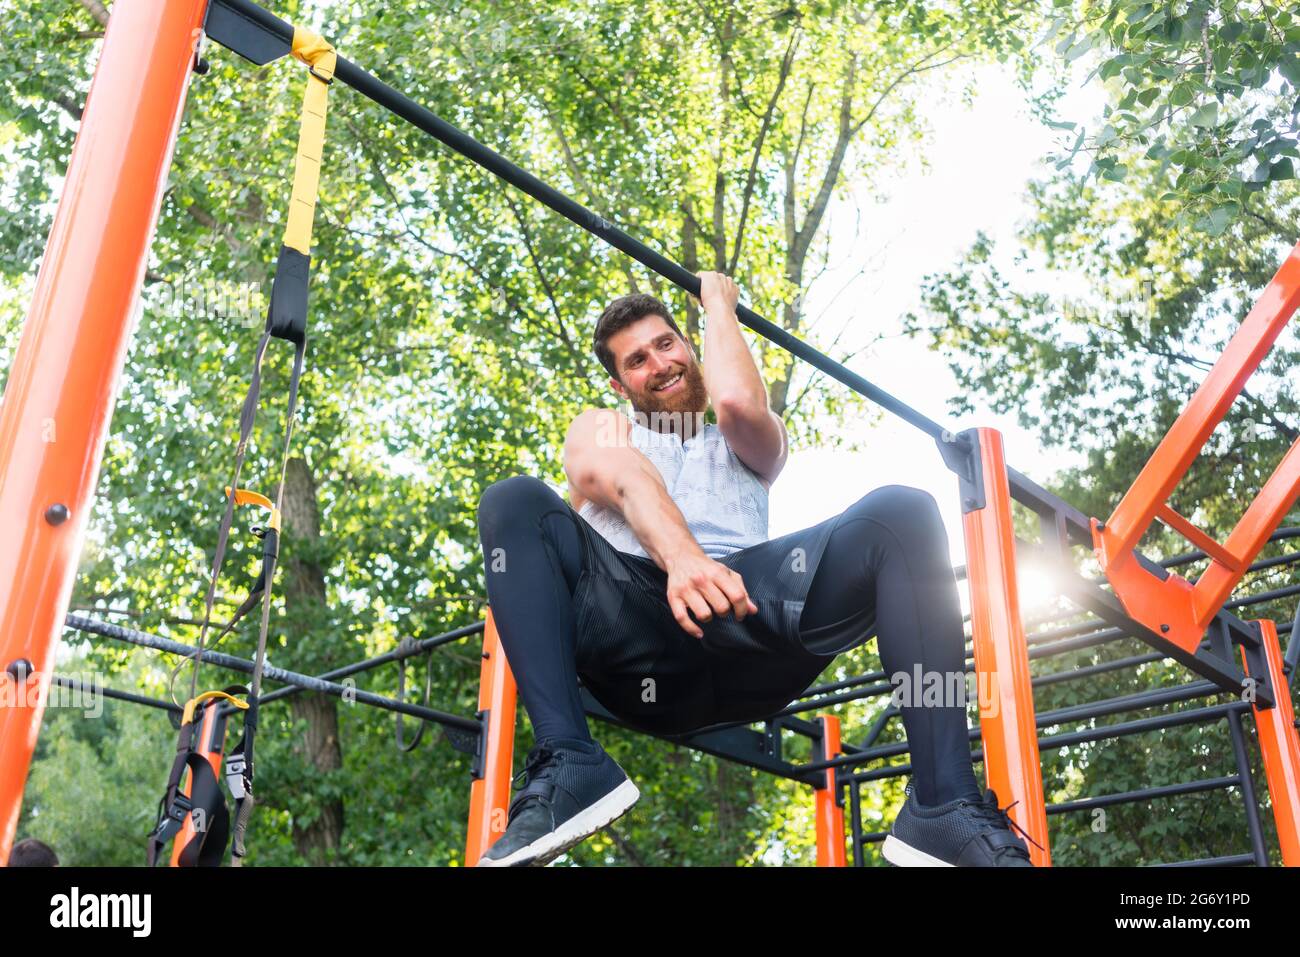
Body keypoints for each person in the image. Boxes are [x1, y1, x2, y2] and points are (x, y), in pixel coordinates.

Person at [476, 272, 1034, 867]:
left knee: (903, 514)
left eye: (667, 344)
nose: (659, 363)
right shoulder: (606, 429)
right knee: (511, 500)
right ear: (619, 384)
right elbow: (624, 477)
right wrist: (683, 560)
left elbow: (739, 402)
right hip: (636, 634)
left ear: (691, 347)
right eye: (637, 359)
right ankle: (570, 762)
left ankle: (943, 804)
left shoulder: (745, 444)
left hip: (751, 619)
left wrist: (720, 305)